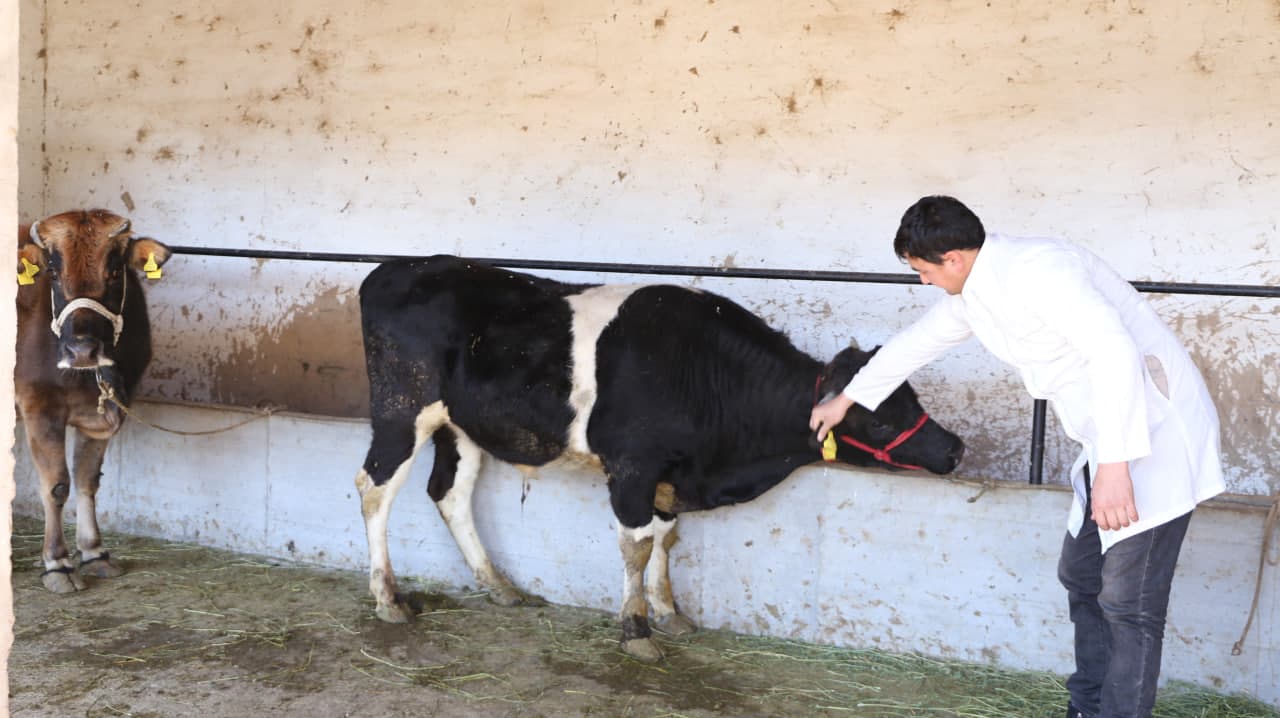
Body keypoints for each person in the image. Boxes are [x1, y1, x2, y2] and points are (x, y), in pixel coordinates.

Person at [809, 196, 1224, 718]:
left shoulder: (1042, 270)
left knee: (1128, 603)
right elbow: (918, 342)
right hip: (1110, 441)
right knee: (1083, 577)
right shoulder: (977, 291)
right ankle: (1087, 707)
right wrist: (848, 397)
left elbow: (1114, 349)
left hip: (1155, 435)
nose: (923, 282)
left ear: (953, 259)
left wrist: (1116, 467)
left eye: (922, 271)